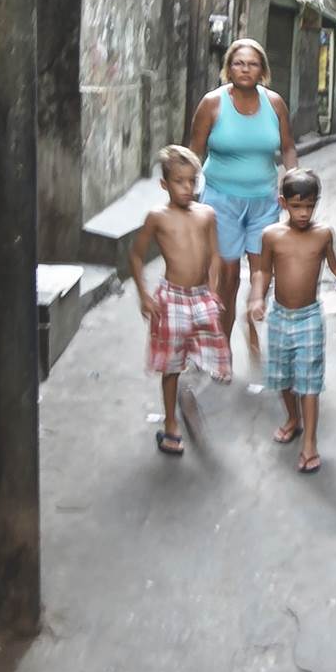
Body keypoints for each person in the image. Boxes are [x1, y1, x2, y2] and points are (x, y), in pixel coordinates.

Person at [247, 168, 336, 474]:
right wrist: (257, 297)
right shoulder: (271, 236)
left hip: (309, 318)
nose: (303, 213)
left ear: (316, 202)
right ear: (283, 202)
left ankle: (310, 442)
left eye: (309, 206)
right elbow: (263, 271)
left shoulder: (323, 234)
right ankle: (293, 419)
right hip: (279, 317)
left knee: (309, 383)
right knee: (282, 377)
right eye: (297, 206)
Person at [188, 38, 298, 365]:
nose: (245, 69)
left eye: (252, 64)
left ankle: (251, 318)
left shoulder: (275, 104)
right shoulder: (212, 103)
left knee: (263, 270)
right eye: (238, 63)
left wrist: (295, 182)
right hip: (220, 201)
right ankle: (222, 346)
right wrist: (186, 199)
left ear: (262, 70)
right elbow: (193, 152)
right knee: (228, 275)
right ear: (228, 68)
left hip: (264, 201)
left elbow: (288, 147)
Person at [130, 145, 231, 457]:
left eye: (192, 181)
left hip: (201, 297)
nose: (187, 188)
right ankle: (171, 423)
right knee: (171, 365)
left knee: (217, 360)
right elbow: (135, 255)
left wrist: (213, 289)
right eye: (179, 181)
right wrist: (144, 295)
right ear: (164, 184)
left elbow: (215, 255)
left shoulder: (206, 215)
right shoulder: (157, 218)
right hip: (172, 298)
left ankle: (189, 393)